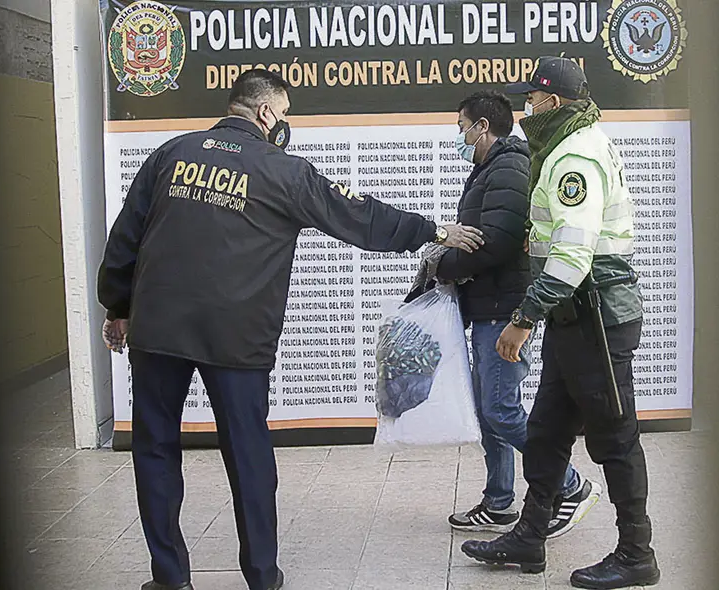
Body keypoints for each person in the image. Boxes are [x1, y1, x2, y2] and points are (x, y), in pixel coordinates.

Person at [97, 69, 485, 590]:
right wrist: (432, 229)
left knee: (155, 449)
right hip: (237, 337)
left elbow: (126, 235)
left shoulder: (171, 154)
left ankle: (170, 579)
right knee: (248, 454)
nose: (286, 123)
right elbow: (358, 216)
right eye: (284, 112)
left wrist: (117, 307)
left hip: (158, 328)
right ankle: (261, 576)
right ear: (264, 113)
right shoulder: (285, 171)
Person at [461, 57, 661, 589]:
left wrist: (523, 318)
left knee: (615, 439)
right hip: (575, 320)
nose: (527, 106)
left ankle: (637, 552)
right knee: (547, 431)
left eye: (533, 97)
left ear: (553, 101)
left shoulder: (573, 154)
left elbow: (573, 256)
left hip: (595, 319)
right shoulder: (563, 146)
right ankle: (529, 536)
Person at [420, 90, 601, 537]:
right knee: (489, 412)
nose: (458, 135)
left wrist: (444, 262)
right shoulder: (488, 169)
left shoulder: (508, 165)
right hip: (488, 304)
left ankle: (571, 485)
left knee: (501, 410)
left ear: (483, 126)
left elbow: (495, 243)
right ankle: (499, 502)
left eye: (461, 126)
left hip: (505, 307)